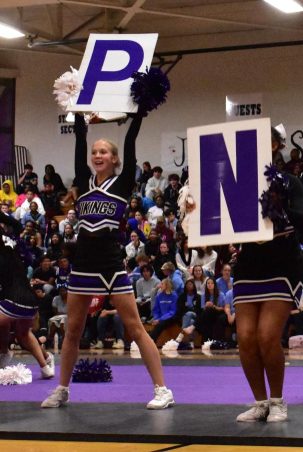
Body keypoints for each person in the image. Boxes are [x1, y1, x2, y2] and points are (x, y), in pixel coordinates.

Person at [41, 112, 174, 410]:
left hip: (111, 263)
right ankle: (62, 389)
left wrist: (139, 113)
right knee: (73, 329)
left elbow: (130, 140)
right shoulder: (83, 180)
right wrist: (78, 112)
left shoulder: (123, 181)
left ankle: (163, 389)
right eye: (95, 151)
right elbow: (79, 139)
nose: (97, 155)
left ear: (114, 159)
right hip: (83, 262)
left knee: (135, 327)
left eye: (104, 151)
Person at [233, 126, 303, 423]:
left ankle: (278, 401)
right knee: (245, 338)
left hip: (281, 262)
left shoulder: (290, 182)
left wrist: (284, 206)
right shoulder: (238, 183)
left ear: (277, 145)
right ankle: (259, 402)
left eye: (266, 139)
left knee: (267, 336)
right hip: (249, 263)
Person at [0, 211, 55, 377]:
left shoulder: (9, 246)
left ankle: (3, 352)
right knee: (23, 335)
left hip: (16, 297)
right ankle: (45, 365)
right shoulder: (13, 244)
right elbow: (16, 225)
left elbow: (15, 225)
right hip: (27, 299)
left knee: (5, 323)